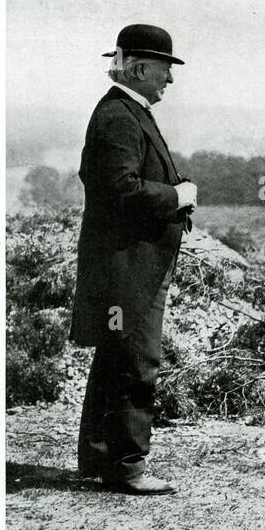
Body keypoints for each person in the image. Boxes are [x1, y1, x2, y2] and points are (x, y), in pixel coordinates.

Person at [72, 24, 196, 495]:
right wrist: (176, 195)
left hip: (126, 263)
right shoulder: (120, 116)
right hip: (128, 267)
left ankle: (101, 458)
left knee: (115, 355)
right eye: (166, 69)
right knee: (136, 360)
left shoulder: (125, 111)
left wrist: (172, 190)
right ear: (141, 68)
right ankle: (128, 468)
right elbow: (120, 189)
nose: (170, 79)